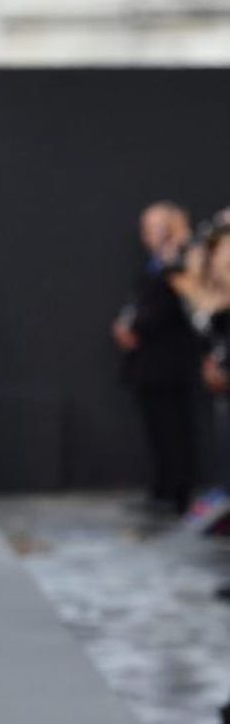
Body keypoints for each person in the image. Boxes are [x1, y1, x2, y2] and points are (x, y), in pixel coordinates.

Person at [111, 201, 201, 515]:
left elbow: (174, 303)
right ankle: (163, 489)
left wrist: (137, 327)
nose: (148, 234)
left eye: (155, 226)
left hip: (169, 361)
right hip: (148, 362)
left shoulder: (180, 261)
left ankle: (177, 493)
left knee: (173, 429)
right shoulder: (157, 263)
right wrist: (127, 325)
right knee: (158, 430)